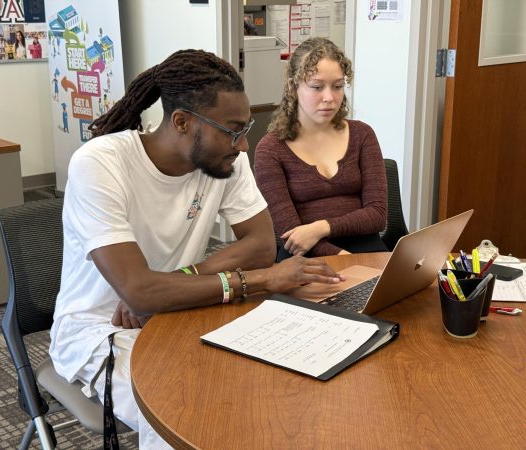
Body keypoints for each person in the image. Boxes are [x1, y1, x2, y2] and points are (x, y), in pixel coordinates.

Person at [49, 49, 344, 449]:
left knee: (271, 383)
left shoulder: (226, 162)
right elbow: (138, 292)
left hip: (183, 309)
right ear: (182, 122)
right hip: (100, 330)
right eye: (233, 130)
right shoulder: (99, 164)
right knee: (189, 407)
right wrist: (261, 280)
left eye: (246, 130)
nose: (243, 147)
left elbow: (259, 245)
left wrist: (171, 283)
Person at [254, 37, 387, 262]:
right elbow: (290, 234)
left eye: (337, 86)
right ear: (292, 86)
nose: (329, 98)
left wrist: (321, 228)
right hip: (305, 255)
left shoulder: (362, 135)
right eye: (317, 87)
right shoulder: (270, 150)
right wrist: (342, 258)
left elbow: (377, 215)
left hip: (367, 246)